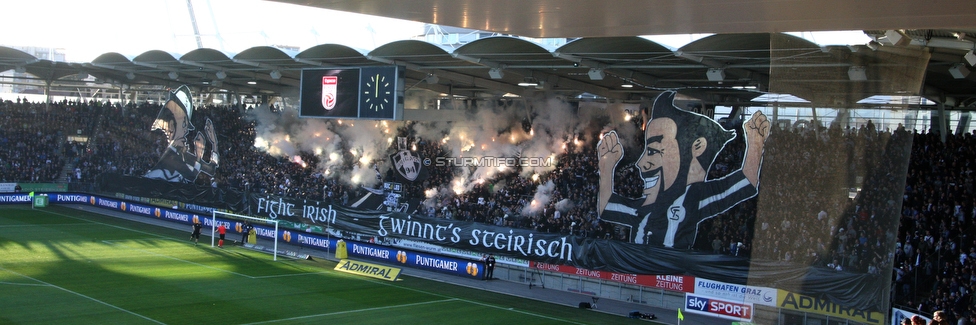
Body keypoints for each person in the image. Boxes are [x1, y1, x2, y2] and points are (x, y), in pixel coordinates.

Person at [597, 91, 769, 248]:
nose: (641, 163)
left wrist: (755, 144)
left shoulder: (692, 199)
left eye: (653, 151)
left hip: (669, 277)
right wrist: (606, 167)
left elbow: (746, 182)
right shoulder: (644, 207)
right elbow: (606, 208)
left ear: (696, 148)